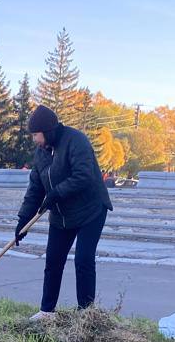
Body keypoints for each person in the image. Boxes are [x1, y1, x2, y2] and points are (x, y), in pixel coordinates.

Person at [14, 105, 113, 321]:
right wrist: (23, 221)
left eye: (36, 135)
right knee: (53, 261)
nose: (35, 140)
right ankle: (47, 311)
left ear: (47, 131)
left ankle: (86, 315)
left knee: (83, 260)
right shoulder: (41, 153)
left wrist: (56, 193)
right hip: (61, 215)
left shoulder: (75, 141)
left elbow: (84, 175)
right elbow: (35, 188)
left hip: (91, 210)